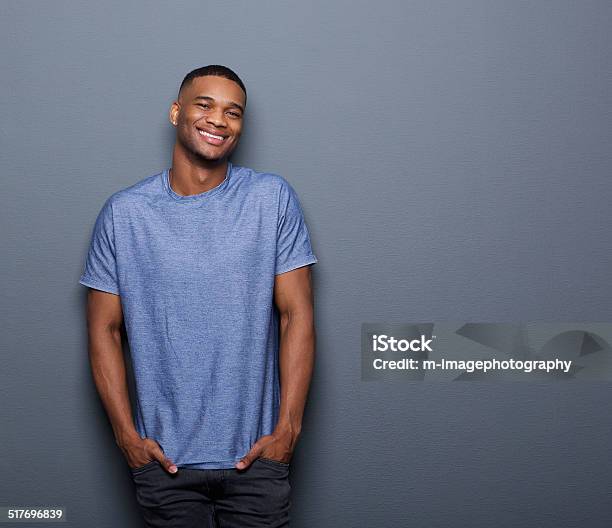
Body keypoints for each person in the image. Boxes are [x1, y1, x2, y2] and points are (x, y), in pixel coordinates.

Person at [78, 64, 318, 527]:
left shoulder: (271, 199)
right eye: (204, 105)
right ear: (176, 112)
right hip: (163, 466)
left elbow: (297, 317)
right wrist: (127, 438)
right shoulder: (125, 214)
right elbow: (103, 329)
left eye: (233, 112)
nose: (218, 120)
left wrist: (287, 431)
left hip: (257, 462)